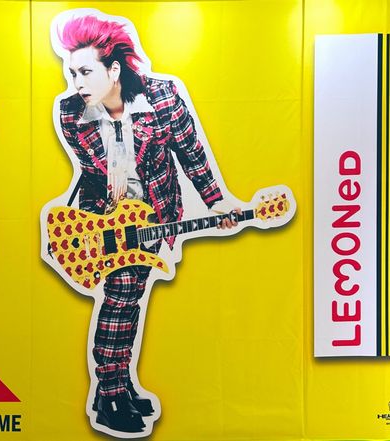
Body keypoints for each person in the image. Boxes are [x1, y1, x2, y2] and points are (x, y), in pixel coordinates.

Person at [54, 13, 240, 434]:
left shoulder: (163, 99)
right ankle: (109, 393)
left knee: (131, 297)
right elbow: (98, 174)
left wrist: (216, 203)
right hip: (104, 220)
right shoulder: (72, 114)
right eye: (72, 73)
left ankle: (116, 385)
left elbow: (191, 154)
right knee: (121, 295)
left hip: (155, 212)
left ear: (113, 69)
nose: (77, 83)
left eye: (85, 72)